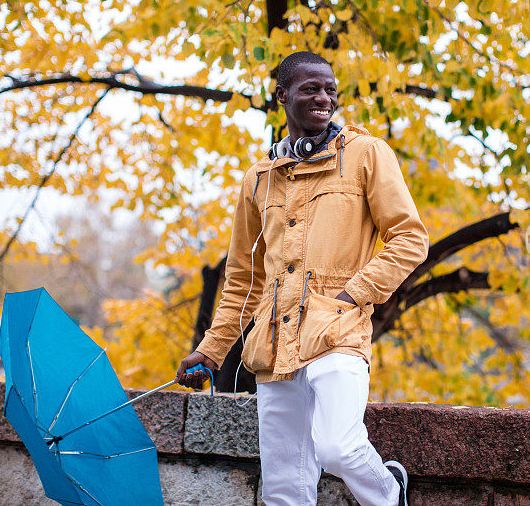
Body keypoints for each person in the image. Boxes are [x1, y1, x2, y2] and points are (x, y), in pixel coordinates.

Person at [176, 51, 429, 506]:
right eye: (311, 88)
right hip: (273, 347)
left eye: (330, 89)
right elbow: (243, 279)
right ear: (283, 95)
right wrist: (211, 351)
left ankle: (390, 493)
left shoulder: (367, 154)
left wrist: (355, 294)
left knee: (338, 446)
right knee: (283, 486)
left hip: (337, 330)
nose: (324, 97)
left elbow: (410, 238)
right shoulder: (258, 179)